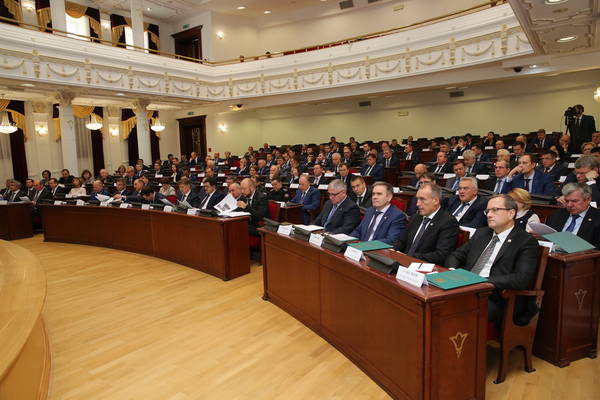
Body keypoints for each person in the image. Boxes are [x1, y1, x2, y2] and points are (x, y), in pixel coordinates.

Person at [445, 194, 539, 324]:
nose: (489, 215)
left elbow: (521, 278)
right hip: (465, 288)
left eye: (495, 210)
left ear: (511, 213)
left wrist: (480, 281)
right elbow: (455, 255)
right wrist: (452, 271)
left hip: (497, 297)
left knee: (452, 308)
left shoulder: (525, 241)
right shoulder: (482, 233)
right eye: (487, 211)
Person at [395, 183, 459, 265]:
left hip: (424, 266)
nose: (417, 204)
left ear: (435, 201)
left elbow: (441, 255)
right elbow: (402, 241)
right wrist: (392, 250)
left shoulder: (448, 222)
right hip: (404, 262)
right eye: (417, 199)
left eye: (422, 199)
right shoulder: (416, 217)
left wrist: (409, 256)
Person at [546, 183, 600, 249]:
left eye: (574, 201)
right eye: (567, 201)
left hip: (582, 254)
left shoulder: (597, 218)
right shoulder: (558, 214)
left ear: (588, 200)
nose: (569, 205)